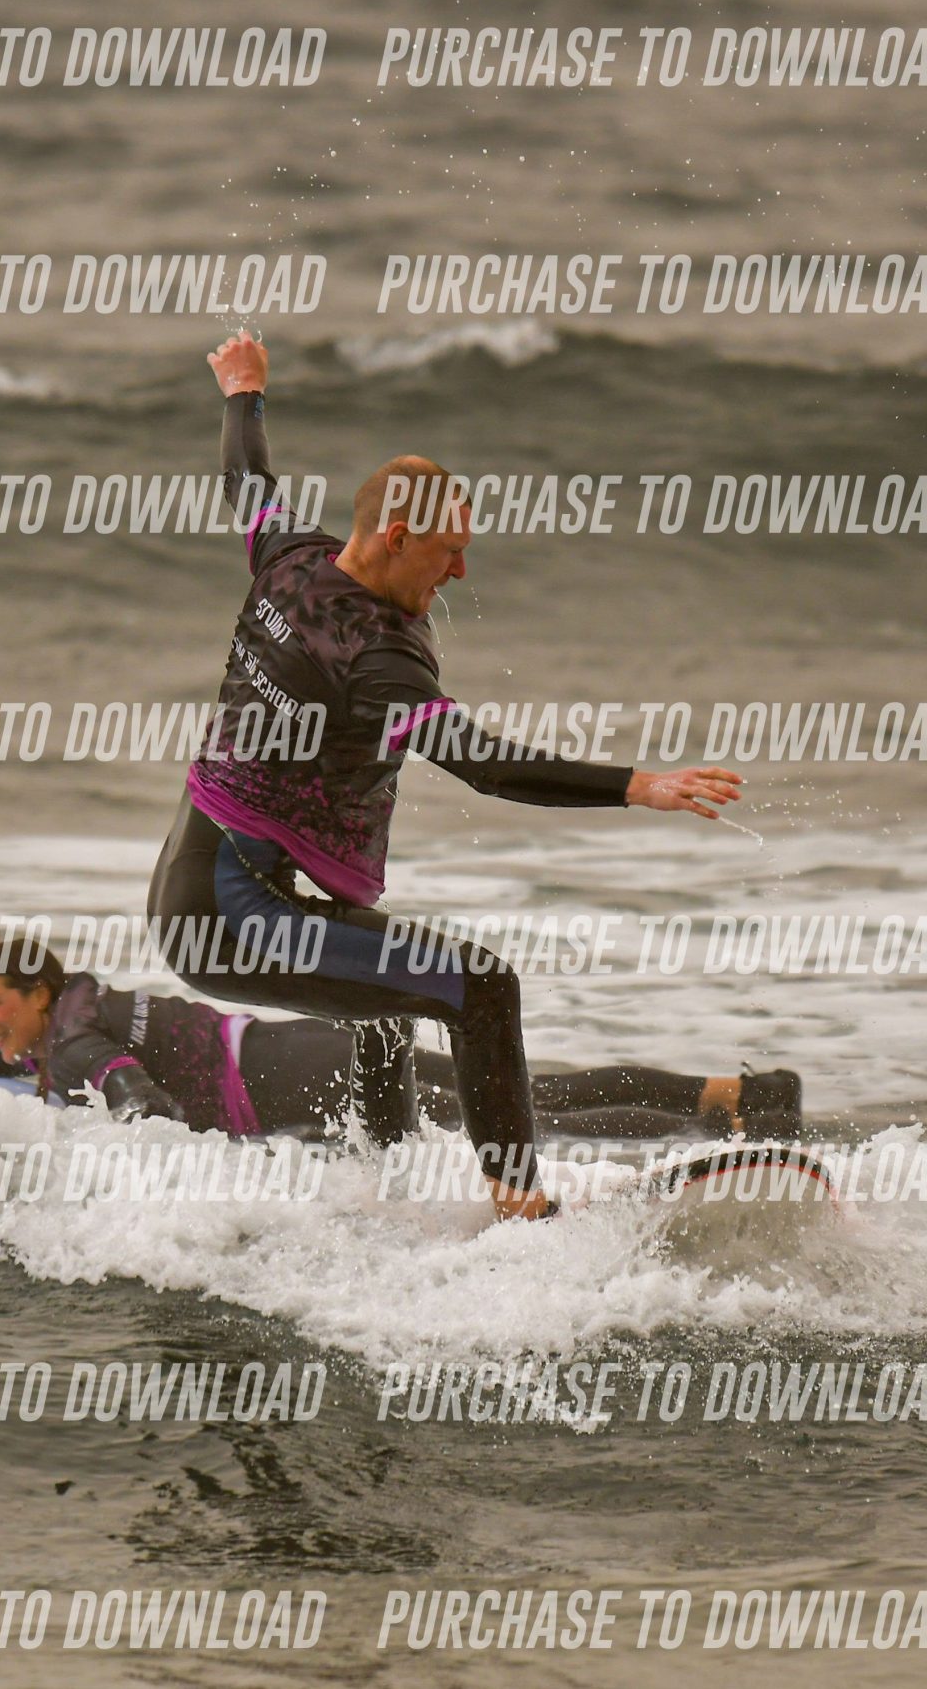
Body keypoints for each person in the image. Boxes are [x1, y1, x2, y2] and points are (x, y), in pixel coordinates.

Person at [146, 330, 747, 1219]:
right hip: (233, 914)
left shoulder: (290, 555)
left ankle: (384, 1187)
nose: (461, 570)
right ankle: (523, 1212)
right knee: (480, 985)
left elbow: (246, 476)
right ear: (396, 537)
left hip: (195, 881)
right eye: (450, 551)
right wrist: (638, 785)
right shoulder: (376, 659)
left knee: (393, 1000)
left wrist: (243, 391)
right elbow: (488, 766)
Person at [0, 935, 801, 1142]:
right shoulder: (83, 1003)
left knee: (527, 1126)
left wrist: (149, 1160)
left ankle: (712, 1135)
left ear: (39, 995)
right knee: (532, 1095)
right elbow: (12, 1054)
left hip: (300, 1084)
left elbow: (133, 1095)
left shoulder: (75, 1045)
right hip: (304, 1046)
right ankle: (743, 1097)